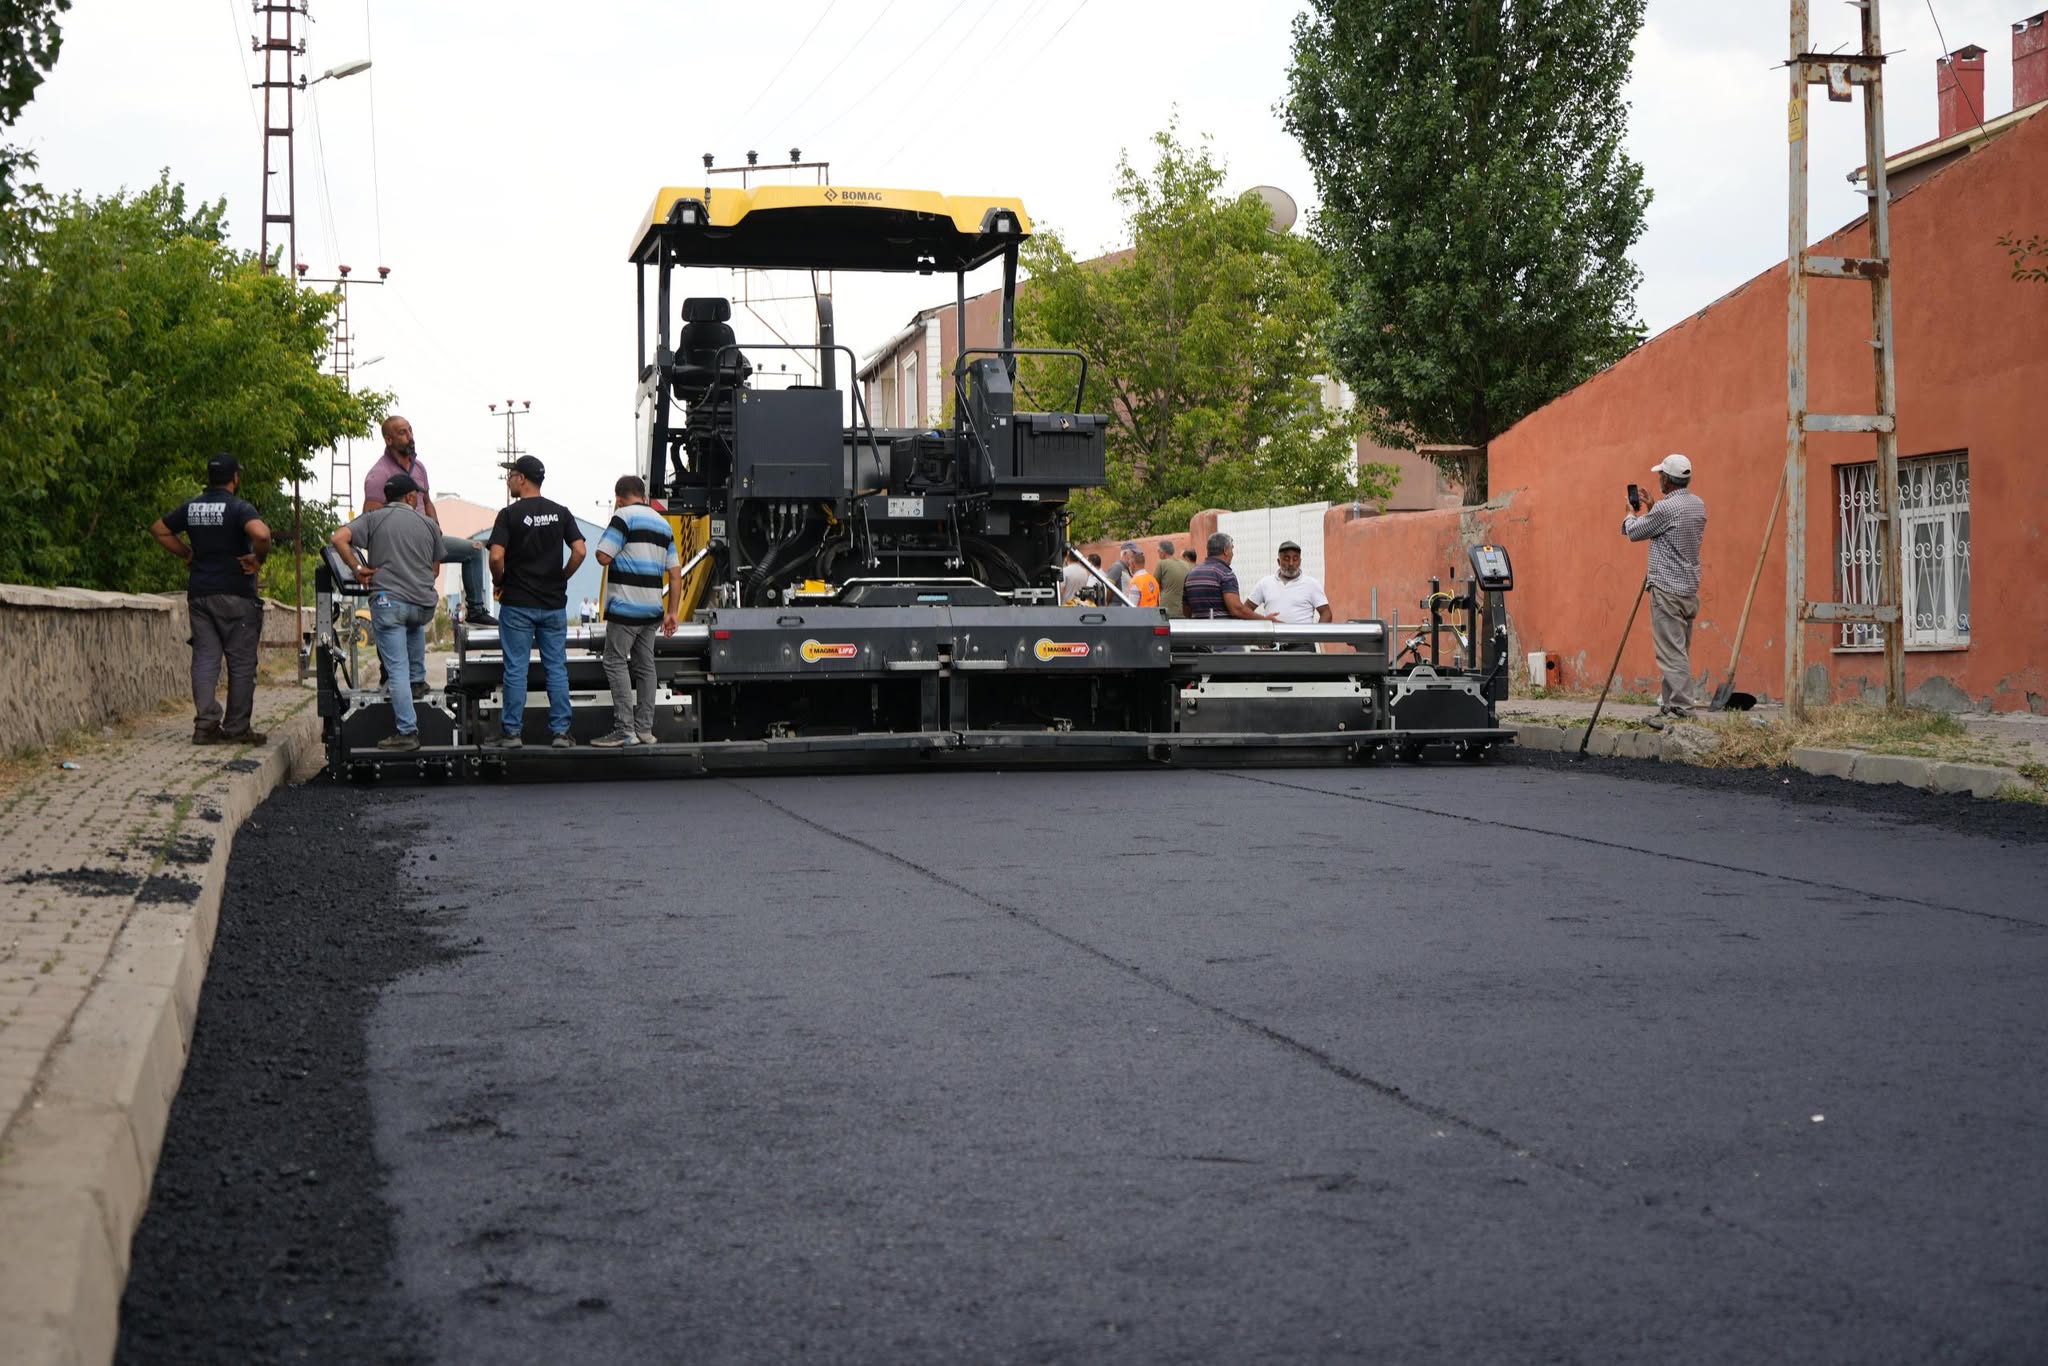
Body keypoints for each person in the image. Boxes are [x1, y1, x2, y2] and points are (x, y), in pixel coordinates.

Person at [149, 454, 272, 745]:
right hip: (235, 595)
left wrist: (187, 553)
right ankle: (237, 728)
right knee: (241, 663)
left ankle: (205, 725)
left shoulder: (192, 507)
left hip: (200, 594)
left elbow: (159, 529)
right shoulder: (238, 508)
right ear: (235, 478)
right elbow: (262, 533)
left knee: (205, 659)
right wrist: (259, 559)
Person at [330, 473, 444, 751]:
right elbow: (436, 567)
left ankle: (407, 731)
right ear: (410, 497)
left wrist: (358, 569)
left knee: (396, 668)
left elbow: (338, 538)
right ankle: (418, 682)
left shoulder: (374, 519)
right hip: (423, 604)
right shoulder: (428, 525)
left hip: (388, 602)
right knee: (414, 628)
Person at [486, 455, 587, 749]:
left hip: (517, 602)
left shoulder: (509, 515)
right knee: (556, 666)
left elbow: (495, 556)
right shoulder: (561, 512)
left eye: (511, 474)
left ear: (522, 479)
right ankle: (560, 733)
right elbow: (579, 550)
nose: (508, 480)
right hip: (553, 604)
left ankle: (512, 734)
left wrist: (499, 581)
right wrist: (561, 576)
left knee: (516, 668)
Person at [360, 415, 496, 626]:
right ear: (388, 440)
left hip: (426, 540)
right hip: (399, 550)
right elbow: (371, 523)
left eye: (411, 431)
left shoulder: (419, 468)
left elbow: (428, 503)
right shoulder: (378, 475)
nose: (410, 437)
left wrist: (437, 543)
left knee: (475, 549)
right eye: (402, 433)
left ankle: (476, 611)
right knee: (397, 630)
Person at [591, 475, 683, 749]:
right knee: (646, 666)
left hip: (626, 608)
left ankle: (624, 730)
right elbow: (676, 574)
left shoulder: (623, 517)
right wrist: (673, 612)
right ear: (643, 495)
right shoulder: (663, 524)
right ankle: (645, 729)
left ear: (619, 498)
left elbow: (603, 555)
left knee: (614, 661)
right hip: (653, 610)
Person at [1623, 453, 1709, 727]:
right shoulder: (1697, 505)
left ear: (1667, 480)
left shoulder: (1665, 510)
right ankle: (1670, 706)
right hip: (1688, 589)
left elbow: (1636, 532)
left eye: (1660, 474)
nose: (1658, 478)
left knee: (1671, 653)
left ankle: (1683, 708)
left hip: (1667, 590)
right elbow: (1669, 528)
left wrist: (1630, 513)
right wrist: (1652, 507)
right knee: (1678, 650)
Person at [1245, 540, 1332, 649]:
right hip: (1272, 648)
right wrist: (1259, 632)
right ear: (1278, 561)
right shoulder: (1265, 583)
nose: (1291, 563)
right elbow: (1245, 610)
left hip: (1302, 647)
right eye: (1286, 559)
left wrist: (1315, 636)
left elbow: (1326, 613)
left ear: (1300, 561)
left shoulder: (1311, 584)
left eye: (1295, 559)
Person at [1181, 531, 1275, 622]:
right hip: (1221, 633)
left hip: (1197, 633)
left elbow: (1187, 611)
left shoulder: (1191, 574)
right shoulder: (1225, 574)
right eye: (1232, 549)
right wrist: (1264, 620)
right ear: (1226, 550)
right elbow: (1236, 610)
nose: (1232, 554)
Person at [1154, 538, 1188, 617]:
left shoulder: (1162, 563)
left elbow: (1154, 584)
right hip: (1183, 608)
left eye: (1158, 551)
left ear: (1162, 552)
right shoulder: (1185, 564)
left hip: (1167, 608)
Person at [1122, 544, 1160, 609]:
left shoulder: (1135, 582)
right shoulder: (1152, 579)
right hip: (1153, 616)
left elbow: (1132, 607)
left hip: (1141, 617)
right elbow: (1158, 601)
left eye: (1130, 564)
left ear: (1133, 564)